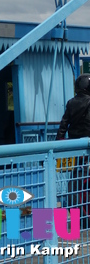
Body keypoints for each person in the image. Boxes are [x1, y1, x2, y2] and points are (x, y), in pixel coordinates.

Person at [57, 73, 90, 226]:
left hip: (75, 145)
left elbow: (63, 125)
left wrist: (58, 144)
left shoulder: (71, 103)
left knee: (77, 174)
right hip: (88, 144)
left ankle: (77, 211)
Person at [57, 73, 90, 140]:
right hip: (87, 139)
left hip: (73, 139)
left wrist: (59, 138)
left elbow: (64, 123)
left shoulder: (71, 102)